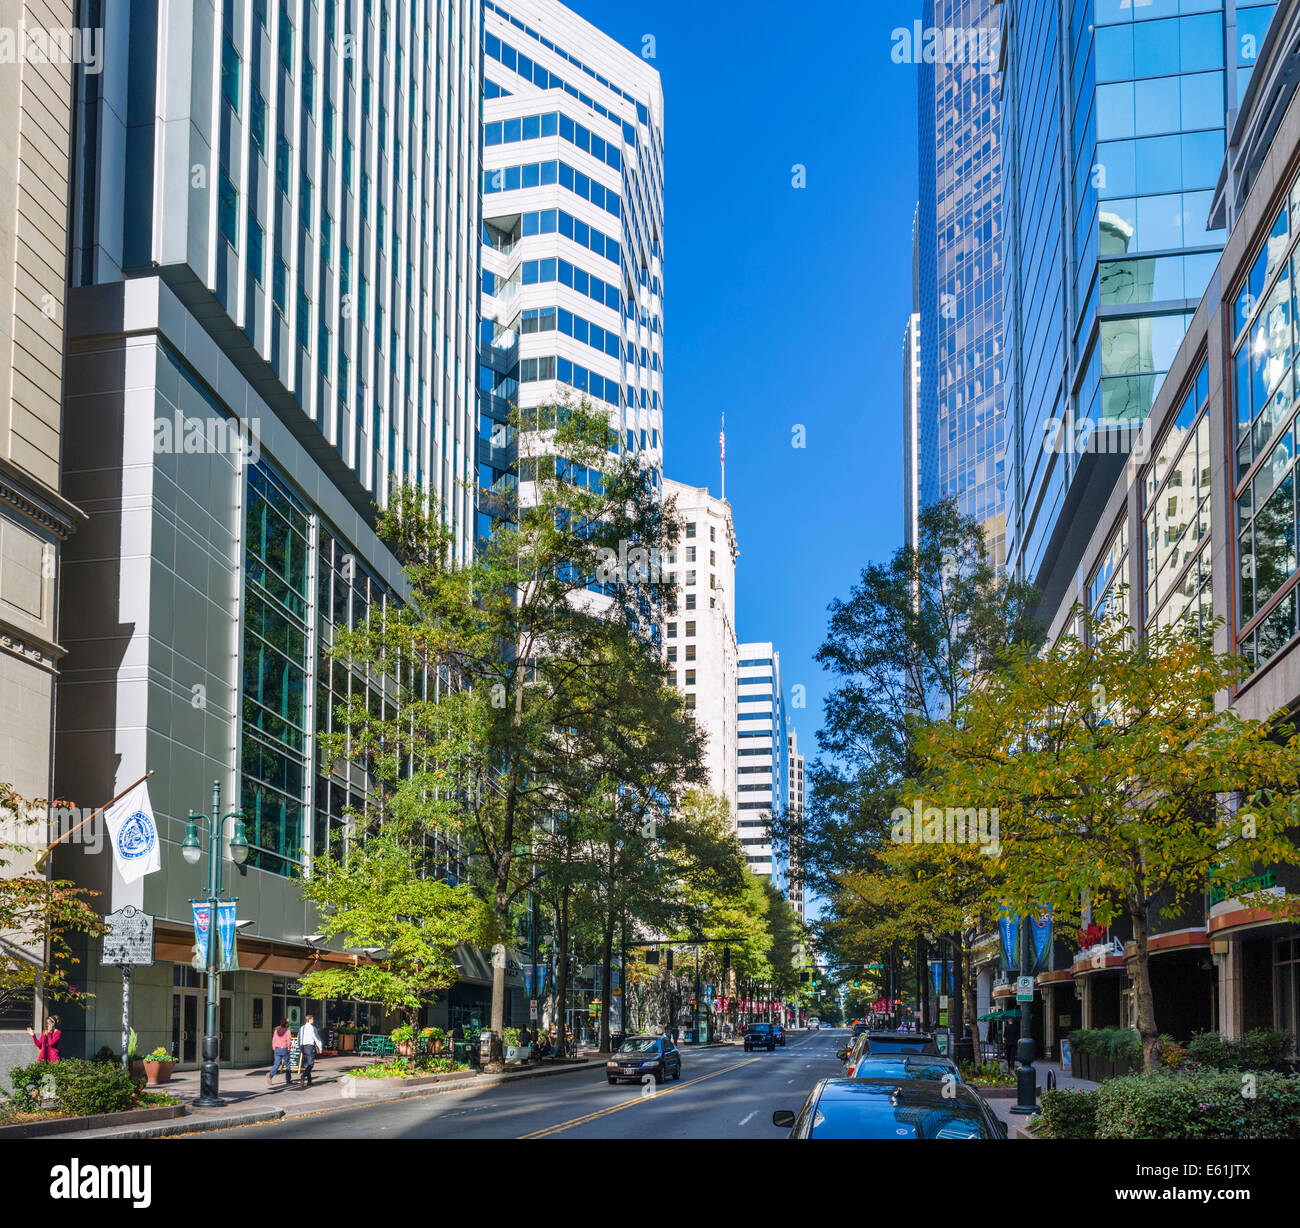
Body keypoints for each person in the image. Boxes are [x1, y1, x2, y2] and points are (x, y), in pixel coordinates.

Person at [298, 1014, 323, 1086]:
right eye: (312, 1019)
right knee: (311, 1064)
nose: (313, 1020)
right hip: (309, 1047)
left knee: (306, 1064)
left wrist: (299, 1046)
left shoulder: (301, 1028)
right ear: (309, 1020)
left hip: (303, 1047)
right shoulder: (312, 1028)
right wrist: (320, 1047)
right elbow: (316, 1038)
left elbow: (298, 1037)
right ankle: (303, 1076)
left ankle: (309, 1081)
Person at [268, 1019, 292, 1086]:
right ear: (286, 1024)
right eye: (287, 1024)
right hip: (284, 1049)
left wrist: (274, 1048)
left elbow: (274, 1040)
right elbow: (288, 1041)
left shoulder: (276, 1031)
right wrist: (289, 1048)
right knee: (287, 1064)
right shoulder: (287, 1031)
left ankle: (270, 1074)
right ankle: (288, 1080)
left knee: (277, 1064)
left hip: (277, 1049)